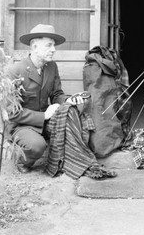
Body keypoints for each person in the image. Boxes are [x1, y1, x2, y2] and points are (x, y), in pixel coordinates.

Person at [7, 24, 89, 173]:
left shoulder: (51, 67)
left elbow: (56, 94)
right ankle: (21, 160)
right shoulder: (15, 71)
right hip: (21, 125)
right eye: (49, 45)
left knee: (72, 130)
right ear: (34, 46)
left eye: (54, 45)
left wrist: (68, 101)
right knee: (37, 146)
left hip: (46, 121)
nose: (54, 50)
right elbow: (12, 113)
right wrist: (44, 115)